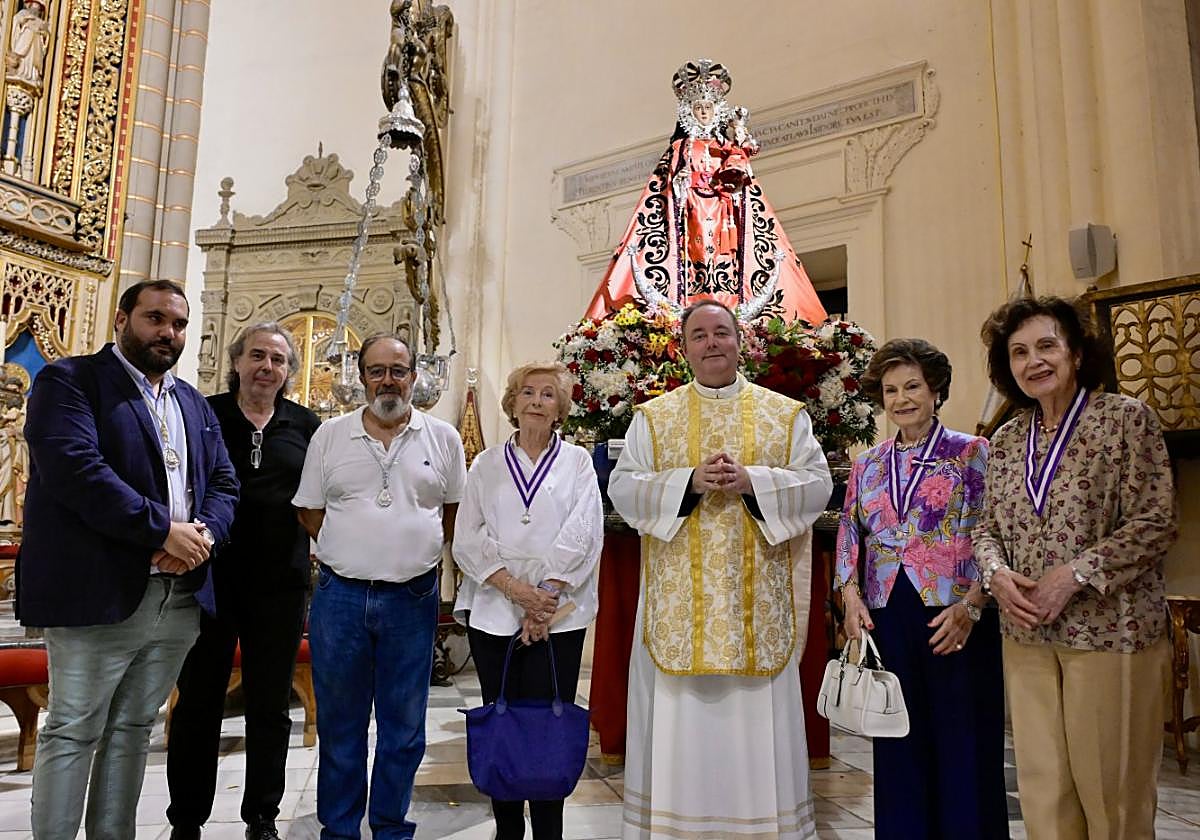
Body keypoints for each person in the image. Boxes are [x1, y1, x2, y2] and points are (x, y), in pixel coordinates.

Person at [17, 279, 239, 840]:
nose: (169, 333)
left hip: (179, 595)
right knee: (73, 730)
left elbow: (223, 481)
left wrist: (201, 536)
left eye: (179, 324)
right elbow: (76, 470)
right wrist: (162, 531)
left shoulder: (191, 401)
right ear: (121, 320)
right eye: (155, 318)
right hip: (100, 590)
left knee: (134, 729)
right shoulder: (70, 381)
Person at [609, 300, 832, 839]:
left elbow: (817, 485)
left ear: (740, 342)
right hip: (678, 610)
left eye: (721, 333)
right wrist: (687, 481)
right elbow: (623, 489)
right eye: (700, 335)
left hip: (757, 607)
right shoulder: (653, 418)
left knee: (757, 727)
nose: (712, 342)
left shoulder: (785, 415)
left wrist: (754, 481)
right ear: (684, 348)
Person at [975, 296, 1176, 839]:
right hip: (1026, 633)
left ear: (1078, 353)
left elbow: (1155, 521)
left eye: (1047, 346)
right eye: (1019, 352)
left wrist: (1074, 575)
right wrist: (995, 573)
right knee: (1044, 792)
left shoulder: (1126, 419)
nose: (1033, 361)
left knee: (1112, 793)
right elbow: (985, 528)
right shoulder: (1006, 439)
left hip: (1109, 632)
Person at [293, 333, 466, 839]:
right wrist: (353, 548)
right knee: (340, 725)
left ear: (414, 376)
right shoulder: (330, 436)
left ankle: (390, 827)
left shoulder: (443, 437)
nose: (388, 380)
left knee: (404, 728)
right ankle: (340, 831)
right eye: (377, 370)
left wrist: (409, 548)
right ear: (362, 377)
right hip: (341, 598)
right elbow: (309, 510)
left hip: (412, 598)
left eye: (398, 370)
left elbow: (453, 511)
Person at [834, 338, 1007, 839]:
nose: (901, 399)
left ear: (936, 391)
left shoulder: (972, 453)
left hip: (956, 614)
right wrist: (849, 595)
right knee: (898, 740)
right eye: (891, 390)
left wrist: (974, 605)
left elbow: (995, 530)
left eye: (912, 386)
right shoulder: (867, 463)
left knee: (963, 738)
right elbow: (849, 531)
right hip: (888, 613)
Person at [166, 323, 321, 840]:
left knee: (270, 705)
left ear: (289, 371)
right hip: (212, 577)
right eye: (257, 356)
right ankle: (187, 819)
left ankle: (262, 816)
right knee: (199, 700)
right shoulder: (204, 413)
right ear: (236, 361)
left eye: (278, 360)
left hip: (281, 582)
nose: (266, 367)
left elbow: (321, 496)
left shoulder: (306, 424)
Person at [452, 361, 603, 840]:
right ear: (512, 403)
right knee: (501, 721)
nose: (537, 401)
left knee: (547, 725)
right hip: (495, 609)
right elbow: (467, 535)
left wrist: (546, 596)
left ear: (561, 408)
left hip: (559, 615)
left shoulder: (577, 462)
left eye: (548, 394)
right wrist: (518, 592)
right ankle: (506, 829)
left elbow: (584, 529)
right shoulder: (486, 463)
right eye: (528, 393)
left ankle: (549, 830)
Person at [584, 59, 826, 325]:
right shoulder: (681, 148)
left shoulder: (727, 146)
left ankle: (729, 299)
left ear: (716, 110)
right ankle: (692, 297)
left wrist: (735, 177)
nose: (703, 113)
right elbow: (665, 188)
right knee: (695, 253)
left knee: (727, 254)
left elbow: (743, 175)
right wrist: (680, 185)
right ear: (689, 111)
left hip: (725, 214)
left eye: (708, 107)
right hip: (691, 211)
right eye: (698, 107)